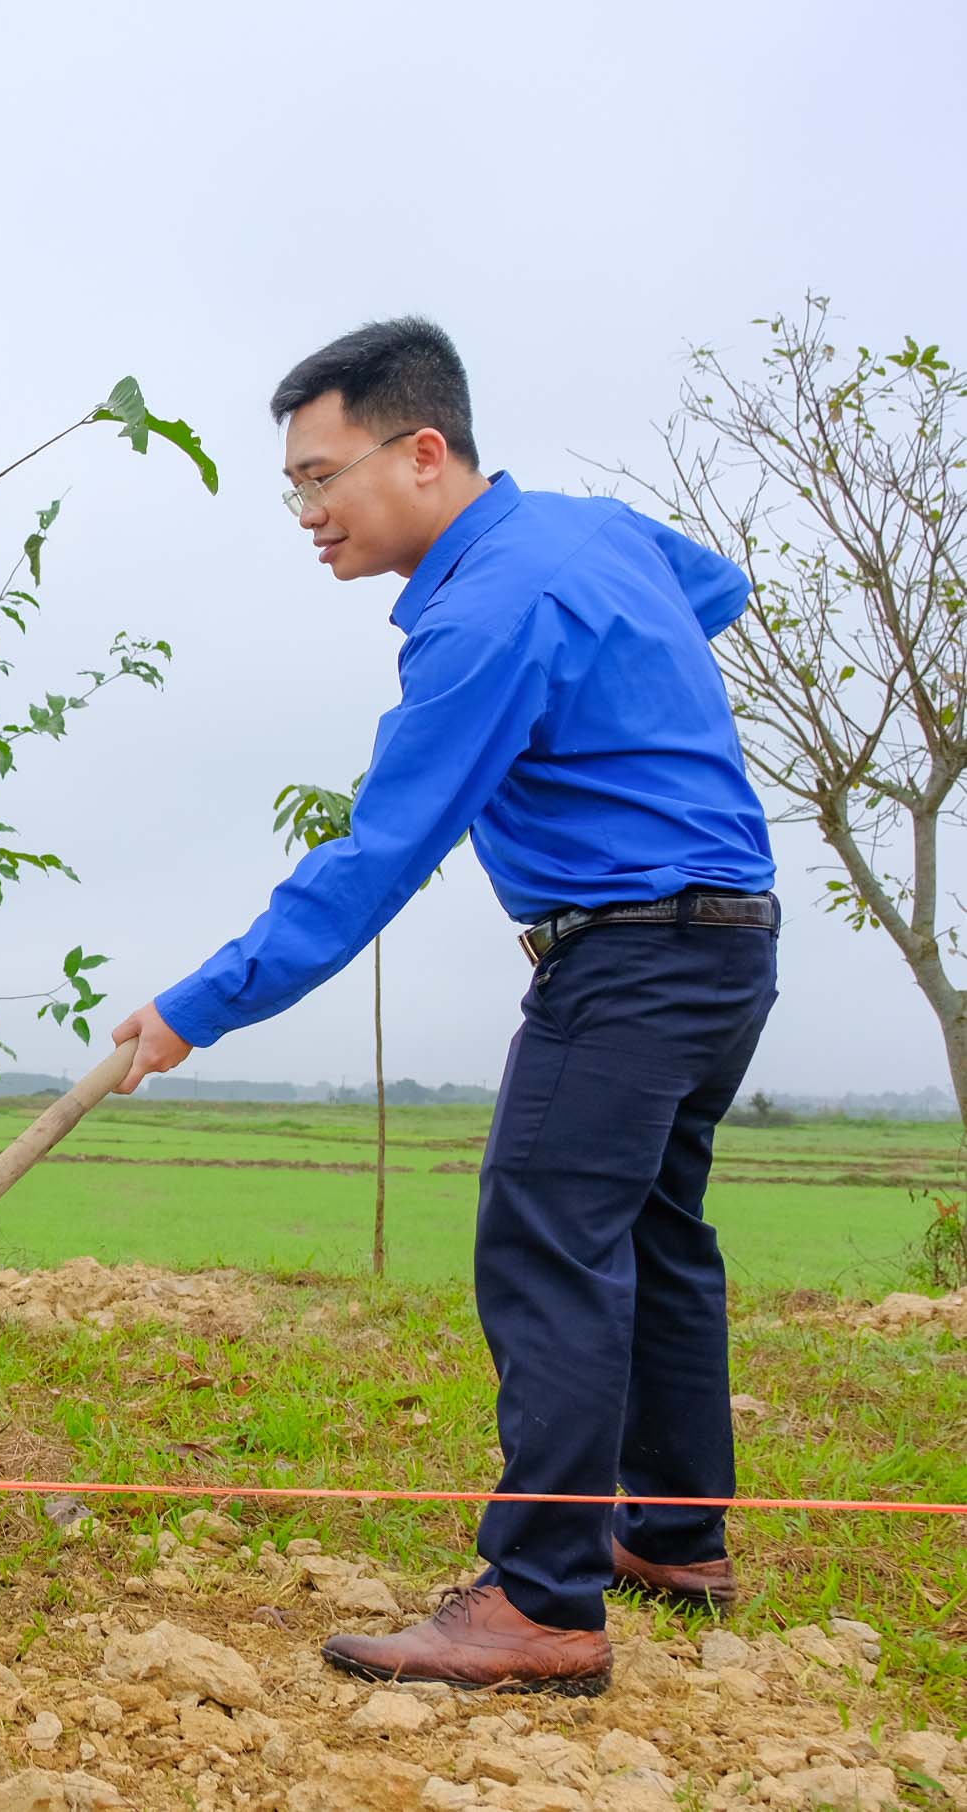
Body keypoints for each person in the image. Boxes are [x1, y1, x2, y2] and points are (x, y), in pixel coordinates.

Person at [109, 319, 778, 1694]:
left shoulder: (482, 617)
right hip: (729, 948)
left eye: (320, 477)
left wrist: (193, 1009)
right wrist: (614, 689)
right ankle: (673, 1535)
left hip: (627, 959)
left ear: (423, 452)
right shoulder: (590, 536)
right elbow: (717, 590)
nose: (305, 513)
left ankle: (540, 1602)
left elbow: (374, 863)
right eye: (289, 487)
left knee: (543, 1242)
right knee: (652, 1234)